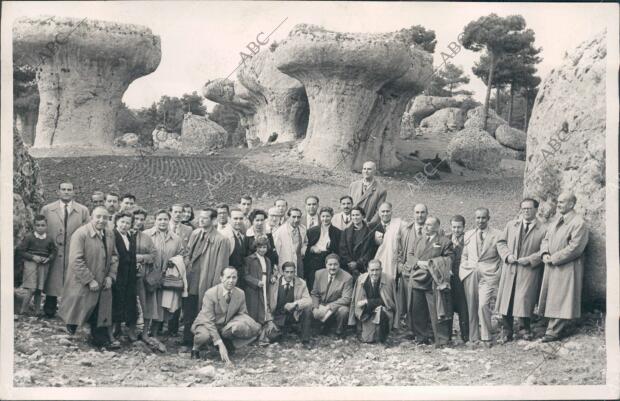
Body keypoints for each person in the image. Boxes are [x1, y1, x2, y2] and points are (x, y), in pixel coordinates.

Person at [59, 207, 118, 348]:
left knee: (100, 310)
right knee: (78, 308)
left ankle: (99, 340)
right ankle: (71, 333)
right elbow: (75, 260)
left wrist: (110, 276)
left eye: (105, 217)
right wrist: (89, 279)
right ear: (92, 217)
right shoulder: (81, 234)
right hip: (82, 282)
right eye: (98, 217)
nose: (101, 220)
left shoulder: (109, 234)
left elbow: (115, 257)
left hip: (103, 280)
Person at [538, 192, 589, 342]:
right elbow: (545, 239)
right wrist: (545, 253)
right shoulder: (556, 221)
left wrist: (553, 258)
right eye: (558, 202)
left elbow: (575, 248)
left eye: (562, 202)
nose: (558, 205)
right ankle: (549, 326)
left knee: (562, 297)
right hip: (552, 265)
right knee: (553, 296)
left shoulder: (578, 223)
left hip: (567, 267)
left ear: (571, 204)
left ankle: (554, 332)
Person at [495, 199, 547, 343]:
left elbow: (545, 249)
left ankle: (525, 328)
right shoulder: (511, 225)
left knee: (525, 298)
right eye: (523, 208)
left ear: (536, 210)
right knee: (508, 298)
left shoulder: (543, 229)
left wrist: (530, 259)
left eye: (529, 208)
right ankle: (506, 330)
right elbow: (501, 242)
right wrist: (507, 255)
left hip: (528, 269)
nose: (526, 211)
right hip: (510, 267)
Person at [181, 208, 231, 349]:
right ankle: (187, 340)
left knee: (204, 312)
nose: (201, 220)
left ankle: (203, 342)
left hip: (207, 280)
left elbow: (221, 267)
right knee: (189, 310)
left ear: (213, 220)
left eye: (205, 218)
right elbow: (188, 253)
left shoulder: (221, 240)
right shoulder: (195, 233)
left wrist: (215, 289)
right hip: (191, 279)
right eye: (200, 217)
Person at [40, 181, 90, 318]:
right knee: (52, 278)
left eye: (69, 189)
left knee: (73, 279)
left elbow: (87, 231)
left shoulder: (83, 210)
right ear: (58, 192)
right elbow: (41, 228)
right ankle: (49, 307)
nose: (66, 192)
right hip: (54, 250)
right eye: (63, 189)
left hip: (73, 251)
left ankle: (69, 311)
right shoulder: (47, 209)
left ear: (74, 192)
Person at [191, 267, 262, 362]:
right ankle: (196, 348)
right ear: (221, 278)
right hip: (207, 324)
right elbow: (208, 321)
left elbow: (242, 314)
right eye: (228, 277)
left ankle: (228, 343)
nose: (231, 281)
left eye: (234, 277)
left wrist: (251, 326)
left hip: (224, 325)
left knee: (246, 326)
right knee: (205, 336)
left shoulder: (240, 293)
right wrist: (219, 343)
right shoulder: (210, 293)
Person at [405, 216, 454, 346]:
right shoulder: (418, 240)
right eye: (426, 224)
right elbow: (409, 255)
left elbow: (449, 259)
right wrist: (418, 262)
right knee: (417, 309)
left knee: (437, 310)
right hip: (417, 278)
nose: (426, 227)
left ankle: (441, 339)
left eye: (430, 225)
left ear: (437, 227)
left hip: (434, 280)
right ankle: (421, 337)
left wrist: (433, 263)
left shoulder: (444, 242)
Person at [460, 208, 502, 347]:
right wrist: (465, 268)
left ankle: (486, 337)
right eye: (478, 218)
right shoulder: (469, 235)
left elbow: (502, 257)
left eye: (483, 218)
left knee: (483, 304)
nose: (480, 221)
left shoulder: (498, 234)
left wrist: (497, 273)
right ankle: (474, 337)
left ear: (488, 218)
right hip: (471, 273)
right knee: (471, 305)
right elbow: (465, 254)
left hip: (489, 275)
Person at [143, 209, 184, 339]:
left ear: (169, 220)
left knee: (161, 305)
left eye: (165, 219)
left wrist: (175, 262)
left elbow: (182, 254)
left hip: (165, 277)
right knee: (148, 304)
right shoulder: (146, 235)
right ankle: (144, 332)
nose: (162, 222)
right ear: (155, 220)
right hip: (149, 276)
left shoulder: (176, 239)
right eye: (159, 219)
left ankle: (154, 333)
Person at [348, 260, 398, 344]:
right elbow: (355, 301)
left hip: (384, 310)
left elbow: (388, 301)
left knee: (381, 312)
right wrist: (353, 321)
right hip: (368, 312)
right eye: (372, 270)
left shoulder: (389, 280)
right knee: (367, 339)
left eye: (377, 270)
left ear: (381, 269)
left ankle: (382, 338)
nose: (374, 273)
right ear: (368, 270)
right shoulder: (361, 279)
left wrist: (368, 301)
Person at [16, 215, 57, 315]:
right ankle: (23, 310)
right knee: (31, 288)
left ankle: (37, 311)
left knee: (39, 289)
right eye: (37, 225)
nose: (40, 227)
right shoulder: (29, 237)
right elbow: (21, 251)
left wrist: (48, 258)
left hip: (43, 265)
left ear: (47, 226)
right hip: (31, 264)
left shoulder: (49, 239)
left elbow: (54, 251)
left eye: (43, 225)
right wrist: (33, 257)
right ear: (34, 226)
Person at [267, 261, 313, 346]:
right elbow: (267, 303)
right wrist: (269, 321)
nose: (289, 275)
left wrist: (295, 304)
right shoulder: (274, 283)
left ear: (295, 272)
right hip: (278, 316)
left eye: (292, 272)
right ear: (282, 272)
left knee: (307, 310)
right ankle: (287, 330)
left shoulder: (301, 283)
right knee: (271, 336)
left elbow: (309, 300)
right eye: (287, 272)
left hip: (294, 315)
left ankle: (305, 340)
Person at [398, 204, 429, 323]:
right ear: (413, 214)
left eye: (422, 212)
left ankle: (425, 327)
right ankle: (410, 327)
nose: (419, 215)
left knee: (423, 302)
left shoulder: (432, 228)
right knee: (409, 301)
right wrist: (400, 264)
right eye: (417, 212)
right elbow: (399, 249)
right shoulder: (406, 230)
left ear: (427, 213)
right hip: (408, 270)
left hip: (425, 273)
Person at [244, 236, 278, 343]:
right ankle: (252, 336)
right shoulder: (249, 259)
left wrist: (272, 278)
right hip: (254, 289)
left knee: (264, 308)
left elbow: (268, 273)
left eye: (264, 247)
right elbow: (245, 275)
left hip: (264, 286)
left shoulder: (267, 260)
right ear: (256, 247)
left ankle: (262, 335)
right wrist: (256, 282)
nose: (263, 250)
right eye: (260, 247)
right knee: (254, 309)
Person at [111, 212, 139, 342]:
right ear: (117, 221)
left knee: (129, 301)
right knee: (115, 301)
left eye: (128, 223)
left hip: (129, 275)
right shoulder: (112, 235)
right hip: (117, 274)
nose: (124, 225)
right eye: (122, 222)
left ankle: (127, 329)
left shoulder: (130, 236)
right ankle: (113, 330)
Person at [311, 254, 353, 338]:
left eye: (335, 264)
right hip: (321, 304)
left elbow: (346, 298)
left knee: (344, 311)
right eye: (330, 264)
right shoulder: (319, 273)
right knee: (308, 307)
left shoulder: (347, 277)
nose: (332, 267)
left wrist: (329, 307)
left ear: (339, 265)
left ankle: (339, 332)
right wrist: (315, 307)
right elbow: (315, 293)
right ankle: (316, 328)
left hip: (336, 306)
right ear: (326, 265)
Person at [131, 208, 157, 341]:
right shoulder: (123, 234)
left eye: (142, 219)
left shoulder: (146, 237)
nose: (139, 222)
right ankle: (127, 330)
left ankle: (145, 332)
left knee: (145, 302)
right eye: (136, 219)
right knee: (128, 303)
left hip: (143, 275)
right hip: (127, 275)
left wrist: (140, 257)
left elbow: (153, 255)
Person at [304, 207, 341, 291]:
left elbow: (338, 249)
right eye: (323, 216)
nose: (325, 219)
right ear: (320, 217)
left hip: (328, 258)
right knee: (313, 281)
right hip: (314, 258)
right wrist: (312, 248)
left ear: (332, 216)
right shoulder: (311, 231)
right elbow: (306, 246)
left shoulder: (337, 232)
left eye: (327, 216)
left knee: (326, 282)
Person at [446, 215, 469, 343]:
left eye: (459, 227)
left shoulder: (468, 239)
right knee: (447, 306)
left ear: (463, 227)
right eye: (454, 227)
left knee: (463, 306)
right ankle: (447, 335)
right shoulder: (446, 239)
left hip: (462, 278)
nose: (456, 230)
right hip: (449, 278)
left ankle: (465, 335)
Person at [339, 207, 378, 281]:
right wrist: (350, 262)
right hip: (348, 266)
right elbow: (342, 249)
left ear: (363, 216)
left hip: (363, 266)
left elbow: (370, 251)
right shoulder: (346, 232)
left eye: (357, 215)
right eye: (353, 215)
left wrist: (357, 264)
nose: (355, 217)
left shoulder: (370, 233)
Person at [372, 202, 406, 280]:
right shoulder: (372, 226)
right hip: (375, 263)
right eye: (383, 211)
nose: (385, 214)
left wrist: (400, 262)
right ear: (379, 213)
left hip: (392, 263)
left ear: (392, 212)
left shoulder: (398, 225)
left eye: (388, 211)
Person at [274, 208, 307, 278]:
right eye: (294, 217)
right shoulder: (280, 231)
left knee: (298, 283)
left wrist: (303, 250)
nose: (296, 220)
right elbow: (276, 251)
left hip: (298, 262)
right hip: (285, 262)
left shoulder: (303, 229)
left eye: (298, 217)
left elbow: (305, 242)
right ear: (288, 217)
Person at [229, 208, 250, 288]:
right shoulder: (226, 236)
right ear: (229, 219)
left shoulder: (242, 236)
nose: (238, 221)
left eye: (241, 219)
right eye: (235, 218)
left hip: (240, 278)